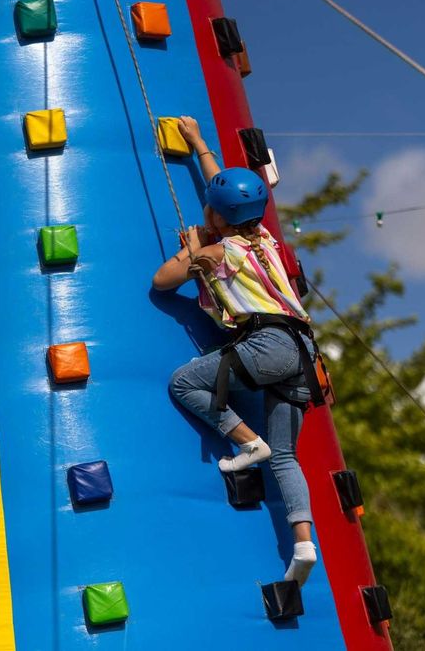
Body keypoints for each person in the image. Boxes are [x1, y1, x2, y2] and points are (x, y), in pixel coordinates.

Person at [152, 116, 320, 586]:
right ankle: (304, 545)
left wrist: (192, 247)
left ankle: (247, 440)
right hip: (303, 352)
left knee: (183, 382)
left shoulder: (219, 252)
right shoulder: (263, 237)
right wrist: (200, 143)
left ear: (217, 217)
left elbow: (162, 282)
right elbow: (223, 189)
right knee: (287, 457)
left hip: (266, 345)